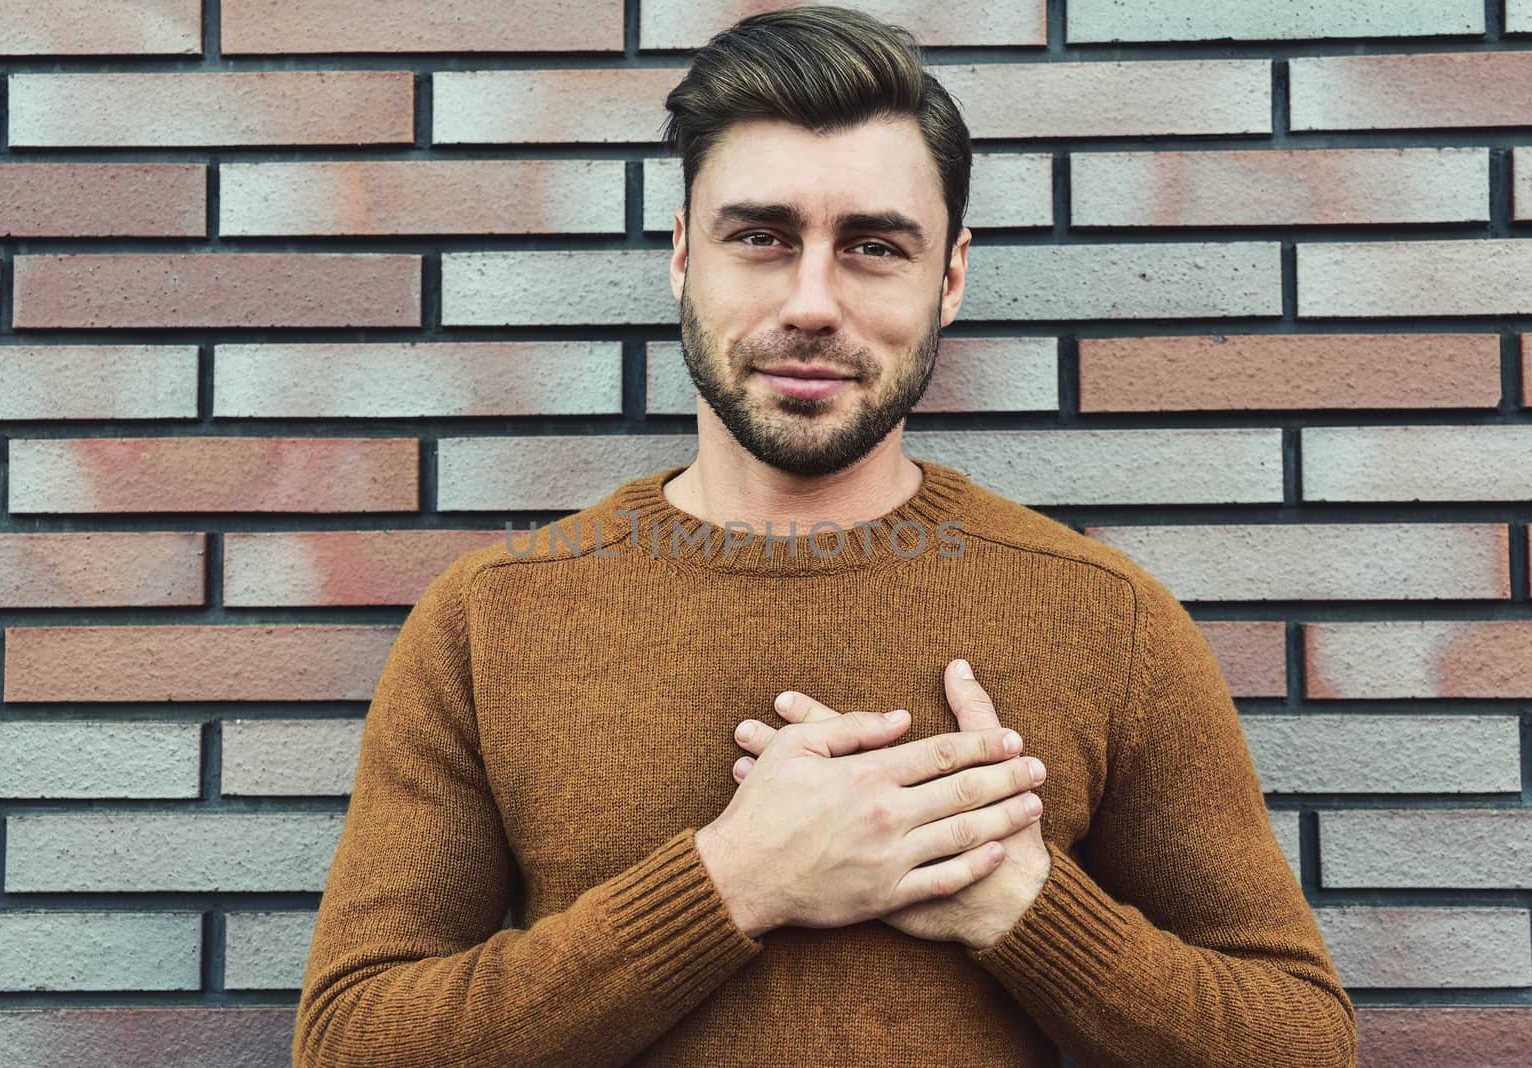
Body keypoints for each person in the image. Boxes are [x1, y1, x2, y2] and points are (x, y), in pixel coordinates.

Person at [291, 6, 1357, 1066]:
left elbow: (1304, 1044)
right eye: (760, 238)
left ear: (949, 277)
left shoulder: (1100, 614)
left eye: (872, 248)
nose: (811, 301)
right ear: (679, 258)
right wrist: (732, 884)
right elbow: (347, 1046)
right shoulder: (493, 618)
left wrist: (1026, 910)